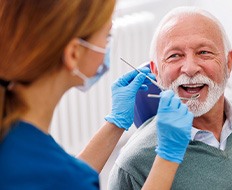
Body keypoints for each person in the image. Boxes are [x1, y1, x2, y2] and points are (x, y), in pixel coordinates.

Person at [0, 1, 194, 189]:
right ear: (73, 53)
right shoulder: (61, 175)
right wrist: (168, 156)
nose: (190, 68)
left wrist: (116, 123)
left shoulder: (20, 140)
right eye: (107, 37)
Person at [108, 6, 232, 190]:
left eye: (204, 52)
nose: (190, 69)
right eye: (174, 55)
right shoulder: (133, 168)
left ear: (228, 63)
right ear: (156, 72)